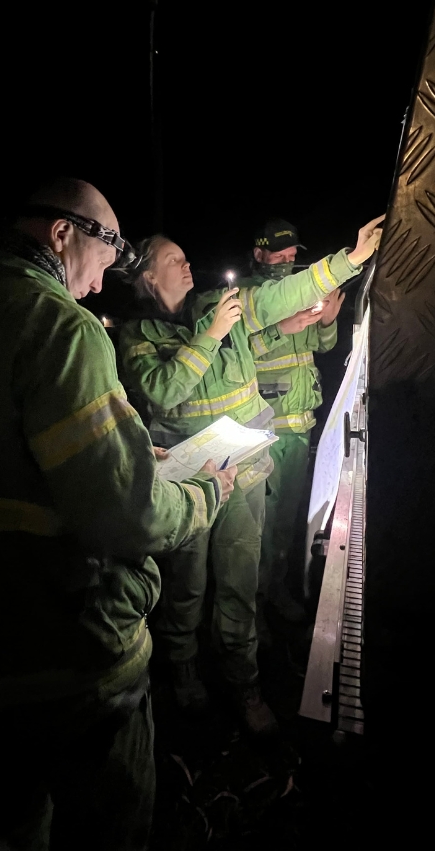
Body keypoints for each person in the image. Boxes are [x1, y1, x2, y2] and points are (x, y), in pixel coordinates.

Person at [0, 178, 235, 850]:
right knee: (109, 829)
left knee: (12, 826)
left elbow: (18, 460)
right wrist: (206, 493)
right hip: (73, 651)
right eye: (109, 247)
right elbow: (127, 515)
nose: (98, 285)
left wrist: (116, 452)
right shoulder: (60, 326)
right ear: (63, 233)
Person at [118, 216, 383, 733]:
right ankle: (185, 670)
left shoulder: (223, 305)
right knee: (187, 586)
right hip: (187, 483)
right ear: (149, 277)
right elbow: (163, 390)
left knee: (239, 582)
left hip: (242, 474)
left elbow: (283, 295)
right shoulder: (137, 334)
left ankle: (244, 683)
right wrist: (211, 336)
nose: (186, 264)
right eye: (174, 260)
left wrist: (348, 261)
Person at [240, 218, 345, 628]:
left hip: (300, 429)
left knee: (286, 523)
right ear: (258, 255)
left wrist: (326, 320)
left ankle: (278, 592)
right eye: (278, 255)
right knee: (259, 532)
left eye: (291, 256)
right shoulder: (249, 298)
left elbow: (324, 346)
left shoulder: (305, 291)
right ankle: (254, 609)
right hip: (264, 430)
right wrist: (281, 328)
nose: (286, 263)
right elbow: (237, 353)